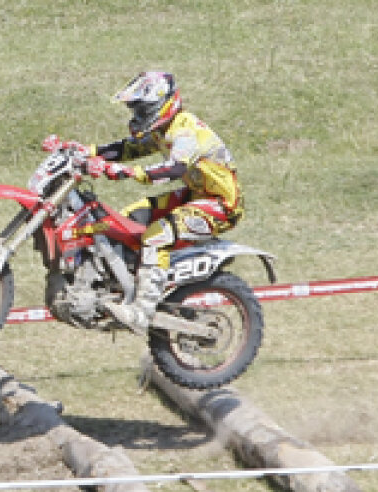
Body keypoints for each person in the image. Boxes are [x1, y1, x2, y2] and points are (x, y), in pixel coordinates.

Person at [44, 71, 244, 334]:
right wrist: (84, 151)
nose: (137, 115)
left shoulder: (185, 131)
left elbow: (172, 169)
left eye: (142, 109)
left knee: (156, 235)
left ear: (163, 104)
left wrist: (126, 172)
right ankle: (122, 284)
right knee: (124, 221)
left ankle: (142, 311)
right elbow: (127, 149)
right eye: (135, 109)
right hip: (195, 194)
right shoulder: (163, 130)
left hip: (221, 206)